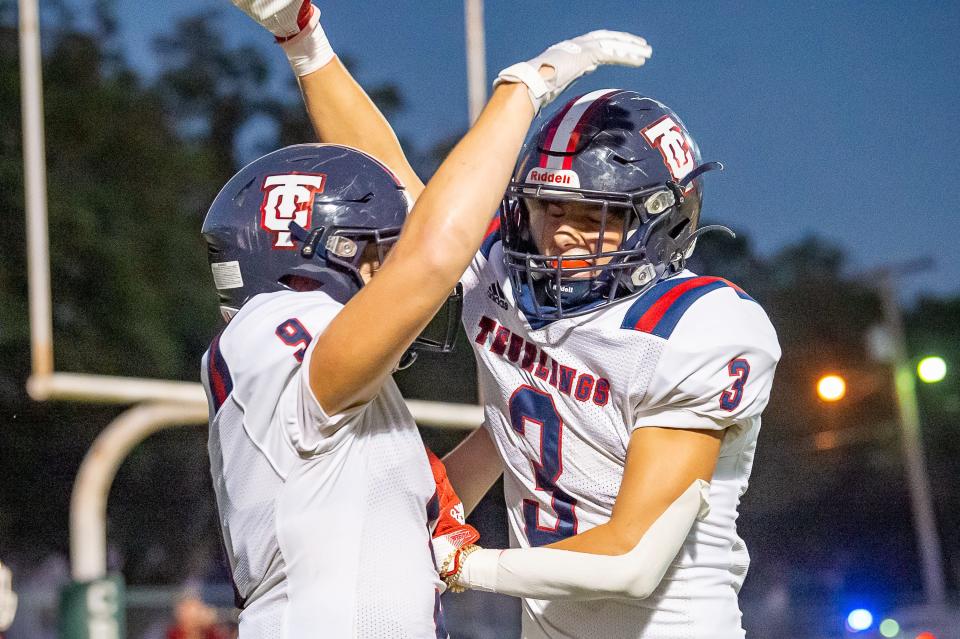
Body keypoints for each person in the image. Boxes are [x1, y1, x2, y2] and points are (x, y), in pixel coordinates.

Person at [229, 3, 782, 639]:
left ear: (661, 220)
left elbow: (632, 558)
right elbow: (394, 187)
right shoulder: (506, 273)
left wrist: (465, 564)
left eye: (597, 215)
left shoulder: (695, 329)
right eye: (551, 207)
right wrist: (303, 38)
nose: (567, 233)